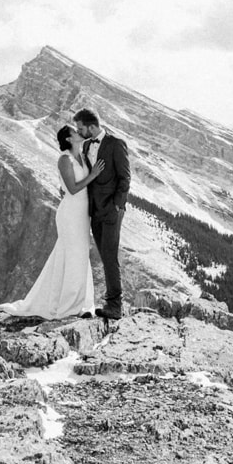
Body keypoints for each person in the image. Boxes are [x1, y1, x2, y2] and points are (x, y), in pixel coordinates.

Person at [0, 125, 104, 320]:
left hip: (82, 214)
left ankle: (81, 303)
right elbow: (72, 188)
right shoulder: (64, 159)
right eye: (75, 132)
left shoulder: (83, 156)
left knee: (80, 255)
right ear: (69, 139)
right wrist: (93, 175)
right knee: (72, 254)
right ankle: (68, 305)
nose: (80, 133)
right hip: (70, 214)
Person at [75, 107, 130, 319]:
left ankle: (115, 305)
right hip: (94, 210)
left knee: (109, 255)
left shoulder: (116, 144)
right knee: (103, 254)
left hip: (112, 210)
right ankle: (110, 301)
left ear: (91, 126)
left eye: (81, 129)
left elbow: (125, 178)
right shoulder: (87, 145)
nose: (79, 132)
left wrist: (117, 206)